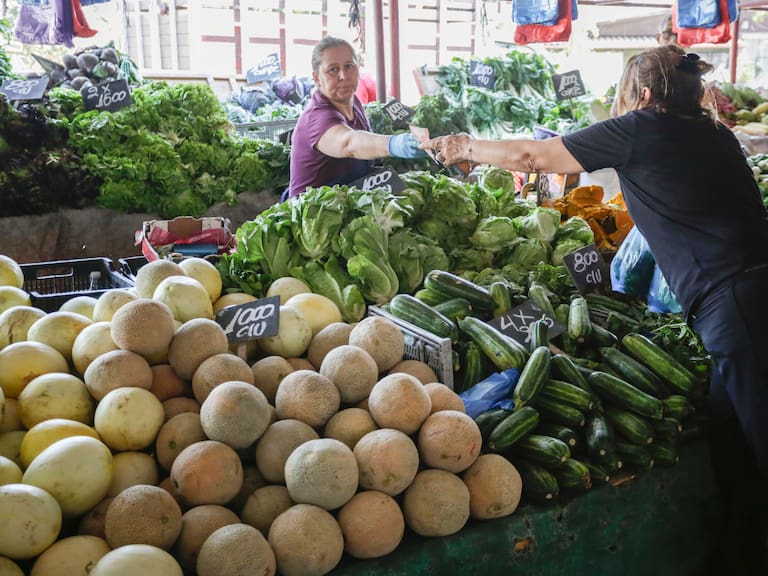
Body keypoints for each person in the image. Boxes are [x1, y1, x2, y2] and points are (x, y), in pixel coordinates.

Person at [424, 45, 768, 573]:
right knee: (731, 438)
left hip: (736, 304)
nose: (620, 102)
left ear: (646, 94)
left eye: (626, 92)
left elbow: (533, 157)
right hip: (746, 296)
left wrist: (467, 145)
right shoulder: (712, 130)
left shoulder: (642, 128)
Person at [287, 36, 424, 198]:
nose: (343, 76)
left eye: (349, 66)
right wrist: (395, 143)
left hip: (348, 197)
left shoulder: (353, 102)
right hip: (313, 213)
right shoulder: (318, 118)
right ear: (317, 77)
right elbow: (349, 143)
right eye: (333, 69)